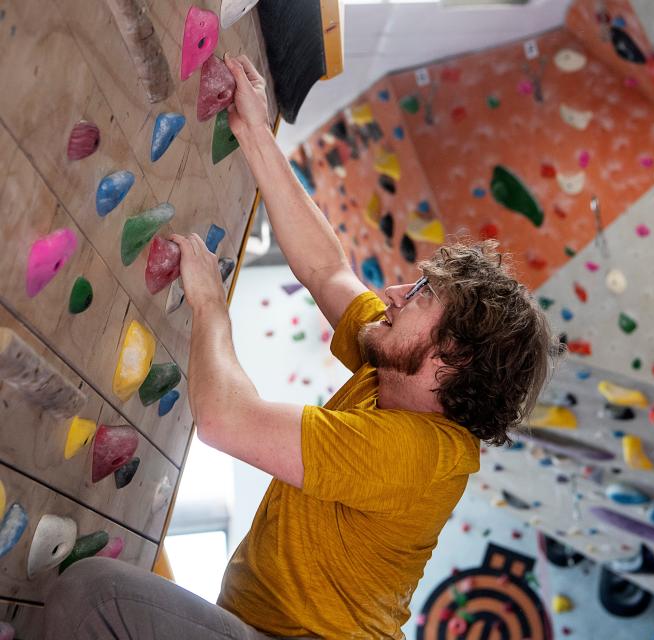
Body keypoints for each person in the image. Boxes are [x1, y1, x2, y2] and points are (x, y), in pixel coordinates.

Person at [43, 55, 557, 639]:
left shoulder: (416, 455)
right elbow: (325, 268)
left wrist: (213, 305)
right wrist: (255, 130)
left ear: (449, 361)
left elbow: (224, 421)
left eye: (418, 294)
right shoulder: (391, 373)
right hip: (258, 625)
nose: (392, 293)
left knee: (95, 598)